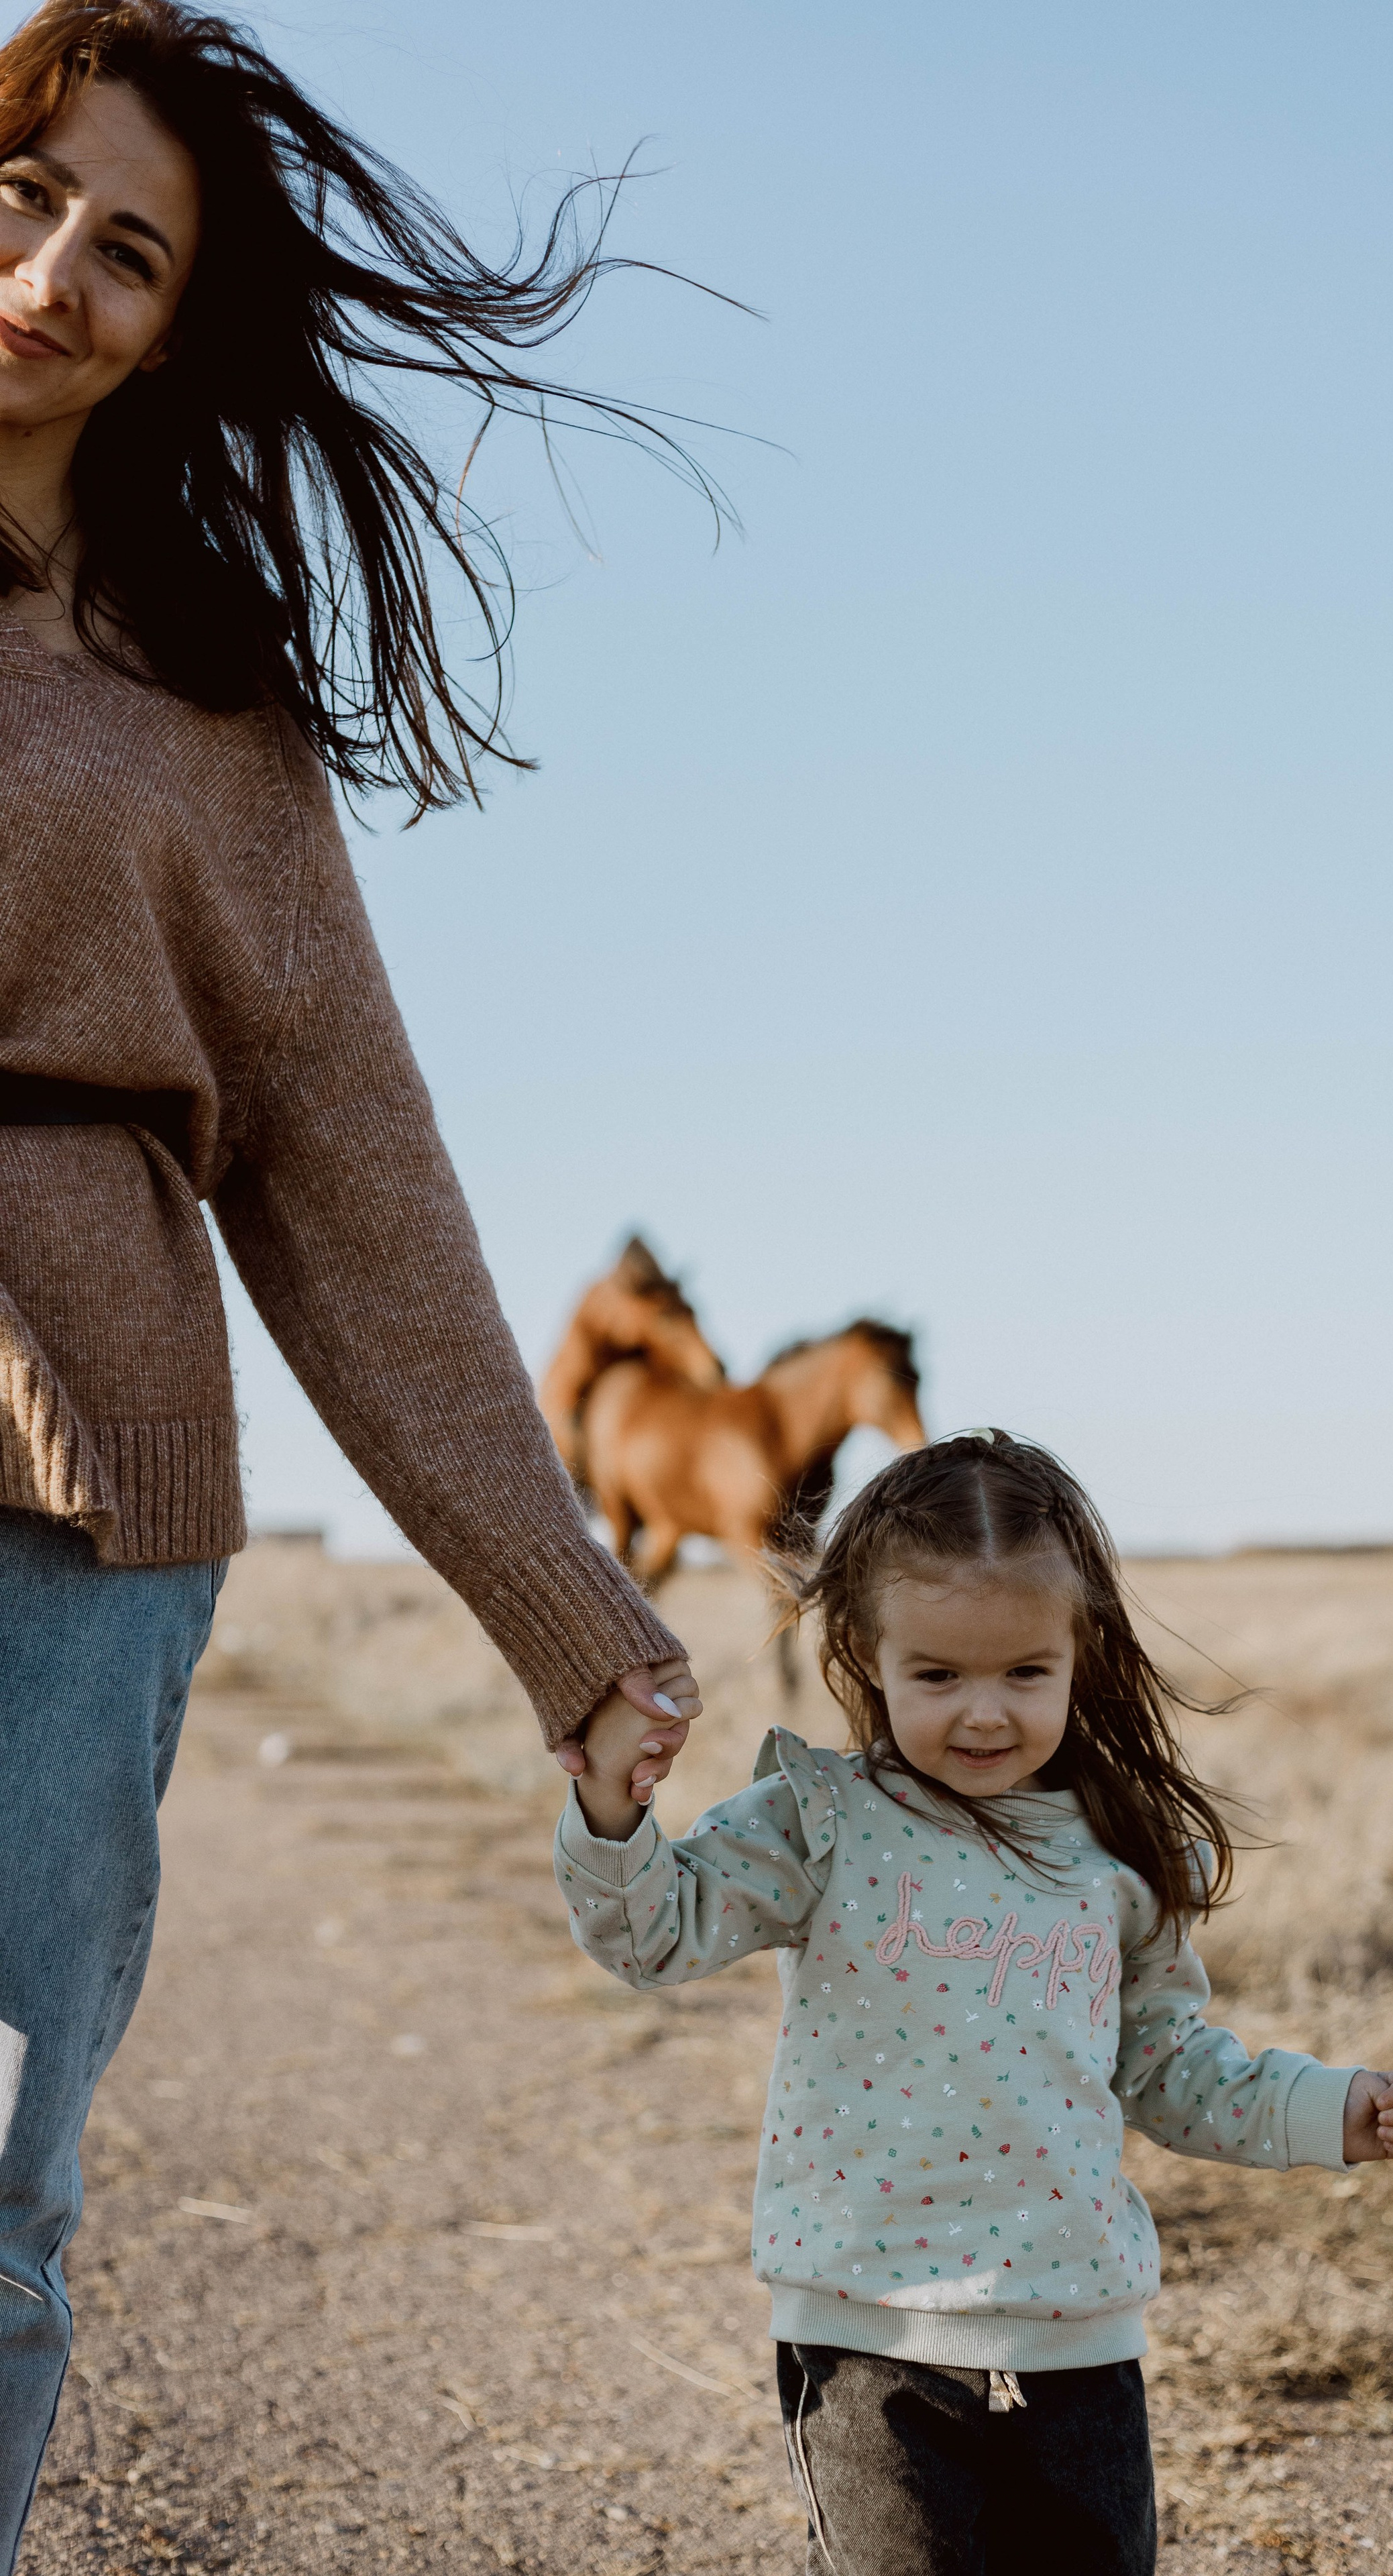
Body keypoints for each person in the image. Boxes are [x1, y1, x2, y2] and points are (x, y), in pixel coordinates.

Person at [0, 3, 708, 2557]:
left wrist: (569, 1618)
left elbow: (349, 1177)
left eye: (126, 248)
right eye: (23, 195)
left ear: (183, 325)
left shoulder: (202, 711)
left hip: (75, 1501)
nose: (50, 276)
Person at [558, 1432, 1393, 2576]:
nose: (984, 1714)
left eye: (1025, 1673)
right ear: (868, 1656)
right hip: (871, 2338)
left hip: (1080, 2342)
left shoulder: (1117, 1855)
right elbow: (650, 1933)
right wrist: (615, 1810)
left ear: (1081, 1656)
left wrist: (1327, 2111)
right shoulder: (820, 1822)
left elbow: (1166, 2068)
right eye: (937, 1675)